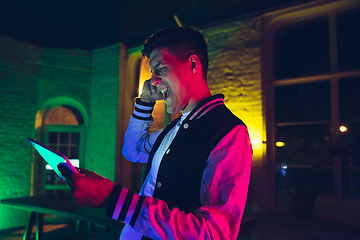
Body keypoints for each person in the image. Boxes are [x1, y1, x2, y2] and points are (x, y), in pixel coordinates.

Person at [59, 26, 252, 240]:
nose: (153, 81)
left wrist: (116, 200)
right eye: (152, 72)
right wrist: (144, 104)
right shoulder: (174, 128)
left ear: (193, 64)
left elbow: (213, 233)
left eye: (160, 69)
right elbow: (133, 150)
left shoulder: (229, 132)